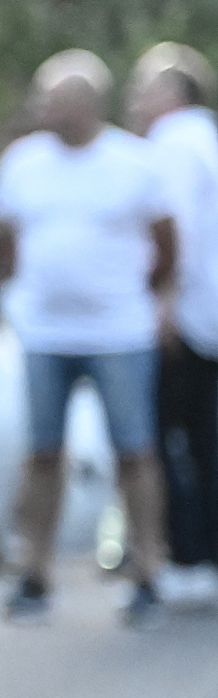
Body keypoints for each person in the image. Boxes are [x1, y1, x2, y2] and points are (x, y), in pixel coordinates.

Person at [0, 50, 178, 626]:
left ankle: (147, 569)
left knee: (134, 450)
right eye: (44, 98)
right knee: (42, 453)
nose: (46, 108)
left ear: (89, 104)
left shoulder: (132, 162)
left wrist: (149, 298)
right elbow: (7, 245)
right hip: (46, 332)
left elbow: (167, 244)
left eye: (58, 99)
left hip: (119, 332)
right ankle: (34, 571)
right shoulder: (22, 163)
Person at [129, 42, 218, 610]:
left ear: (173, 94)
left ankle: (188, 554)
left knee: (169, 440)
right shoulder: (205, 139)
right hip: (207, 315)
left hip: (185, 317)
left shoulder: (173, 145)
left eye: (145, 88)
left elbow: (175, 234)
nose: (135, 101)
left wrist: (161, 305)